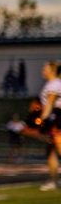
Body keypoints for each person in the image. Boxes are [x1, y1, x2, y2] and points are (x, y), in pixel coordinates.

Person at [38, 61, 61, 191]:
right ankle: (54, 180)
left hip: (56, 117)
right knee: (50, 151)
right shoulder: (52, 83)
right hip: (53, 117)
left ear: (52, 70)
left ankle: (54, 180)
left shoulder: (55, 84)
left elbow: (50, 102)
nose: (43, 70)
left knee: (58, 148)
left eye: (45, 68)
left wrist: (43, 119)